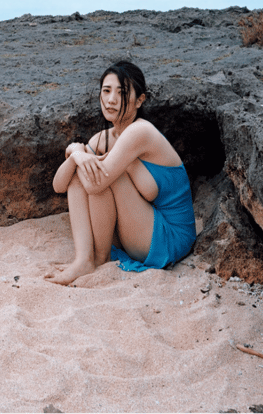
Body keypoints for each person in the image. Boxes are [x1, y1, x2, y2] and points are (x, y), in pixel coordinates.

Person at [45, 61, 196, 285]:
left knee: (101, 175)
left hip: (168, 236)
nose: (111, 99)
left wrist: (82, 155)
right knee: (86, 169)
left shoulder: (141, 131)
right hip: (137, 227)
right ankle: (84, 259)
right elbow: (59, 185)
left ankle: (97, 258)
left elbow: (97, 185)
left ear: (140, 100)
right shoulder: (102, 138)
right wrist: (76, 153)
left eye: (122, 93)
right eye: (106, 91)